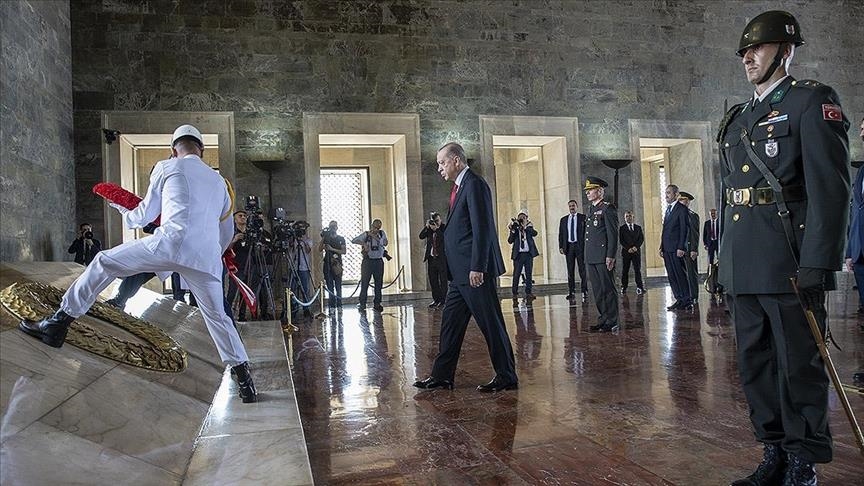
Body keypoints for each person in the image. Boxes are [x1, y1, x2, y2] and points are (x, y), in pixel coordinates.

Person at [19, 124, 258, 403]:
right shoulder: (220, 183)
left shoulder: (167, 167)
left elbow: (144, 215)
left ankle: (58, 323)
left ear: (173, 150)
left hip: (168, 244)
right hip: (204, 258)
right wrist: (212, 254)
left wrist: (122, 208)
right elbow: (225, 232)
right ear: (201, 150)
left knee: (103, 262)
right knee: (218, 316)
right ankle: (245, 381)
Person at [717, 11, 850, 485]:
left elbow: (831, 191)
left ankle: (801, 461)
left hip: (789, 261)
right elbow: (731, 194)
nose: (748, 58)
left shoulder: (811, 101)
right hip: (744, 261)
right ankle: (772, 451)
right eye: (744, 51)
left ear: (786, 51)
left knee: (798, 367)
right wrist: (722, 260)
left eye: (758, 48)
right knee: (755, 366)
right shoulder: (738, 117)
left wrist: (819, 263)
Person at [413, 142, 517, 392]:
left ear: (456, 160)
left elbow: (483, 228)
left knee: (491, 324)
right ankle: (442, 376)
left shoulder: (475, 184)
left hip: (474, 272)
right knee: (450, 325)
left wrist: (478, 266)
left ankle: (507, 376)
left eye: (442, 162)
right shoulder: (459, 187)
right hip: (459, 274)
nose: (439, 168)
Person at [583, 177, 620, 332]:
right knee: (598, 291)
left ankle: (612, 320)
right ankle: (603, 318)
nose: (587, 193)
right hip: (591, 256)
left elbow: (613, 235)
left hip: (603, 256)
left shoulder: (607, 209)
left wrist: (610, 256)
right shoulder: (591, 209)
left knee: (608, 289)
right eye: (587, 191)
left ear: (599, 191)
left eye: (590, 190)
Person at [660, 184, 692, 310]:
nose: (666, 195)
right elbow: (665, 230)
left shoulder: (682, 209)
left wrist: (681, 247)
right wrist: (661, 247)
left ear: (676, 194)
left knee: (680, 274)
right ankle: (679, 298)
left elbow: (685, 229)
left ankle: (687, 300)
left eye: (668, 193)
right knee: (672, 275)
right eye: (666, 193)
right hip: (667, 248)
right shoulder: (668, 209)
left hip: (676, 248)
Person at [845, 117, 864, 315]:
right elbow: (856, 213)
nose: (862, 133)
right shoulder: (861, 171)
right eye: (861, 128)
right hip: (860, 254)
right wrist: (850, 251)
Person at [352, 219, 387, 312]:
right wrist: (363, 243)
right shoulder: (366, 234)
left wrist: (374, 236)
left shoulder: (382, 234)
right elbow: (354, 240)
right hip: (368, 261)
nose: (376, 229)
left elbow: (384, 243)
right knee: (365, 283)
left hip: (378, 261)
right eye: (375, 227)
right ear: (372, 226)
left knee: (378, 283)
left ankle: (377, 303)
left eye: (378, 228)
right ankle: (362, 303)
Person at [558, 200, 588, 301]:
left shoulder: (583, 218)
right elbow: (561, 234)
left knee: (582, 270)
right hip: (569, 247)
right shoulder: (563, 220)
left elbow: (586, 233)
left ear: (577, 206)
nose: (572, 207)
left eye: (573, 206)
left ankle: (584, 290)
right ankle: (571, 291)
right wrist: (561, 246)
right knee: (570, 270)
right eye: (570, 206)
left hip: (580, 247)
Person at [507, 208, 539, 304]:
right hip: (518, 255)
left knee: (529, 274)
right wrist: (513, 230)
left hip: (528, 254)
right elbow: (510, 241)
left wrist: (525, 227)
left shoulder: (529, 227)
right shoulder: (515, 227)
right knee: (516, 274)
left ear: (527, 218)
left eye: (524, 217)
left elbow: (535, 233)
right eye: (520, 217)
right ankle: (514, 293)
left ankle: (529, 292)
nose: (522, 219)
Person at [419, 212, 447, 308]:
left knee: (443, 281)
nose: (435, 223)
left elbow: (444, 238)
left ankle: (443, 301)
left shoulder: (444, 228)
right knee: (433, 280)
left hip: (441, 258)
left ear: (440, 220)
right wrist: (427, 227)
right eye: (433, 221)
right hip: (431, 259)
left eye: (437, 220)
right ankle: (436, 300)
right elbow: (421, 236)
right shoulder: (429, 229)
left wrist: (437, 229)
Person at [679, 192, 700, 304]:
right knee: (680, 275)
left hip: (688, 249)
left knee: (691, 274)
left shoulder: (693, 216)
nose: (684, 202)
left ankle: (694, 296)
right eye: (681, 199)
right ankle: (683, 297)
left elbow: (695, 234)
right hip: (677, 250)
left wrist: (694, 249)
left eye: (686, 200)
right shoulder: (675, 215)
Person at [319, 220, 346, 308]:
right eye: (331, 226)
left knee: (338, 286)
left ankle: (339, 304)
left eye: (334, 226)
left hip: (337, 264)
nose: (332, 228)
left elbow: (343, 251)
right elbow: (319, 249)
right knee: (330, 286)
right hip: (327, 264)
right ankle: (332, 305)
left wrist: (332, 249)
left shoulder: (341, 238)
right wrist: (324, 237)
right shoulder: (327, 239)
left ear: (337, 227)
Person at [618, 210, 645, 294]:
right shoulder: (622, 228)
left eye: (630, 216)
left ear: (633, 217)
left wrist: (636, 247)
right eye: (626, 216)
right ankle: (624, 287)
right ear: (624, 218)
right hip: (626, 252)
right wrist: (628, 248)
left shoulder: (638, 228)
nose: (628, 218)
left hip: (636, 252)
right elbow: (621, 240)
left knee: (637, 270)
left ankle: (640, 287)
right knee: (625, 270)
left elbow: (641, 239)